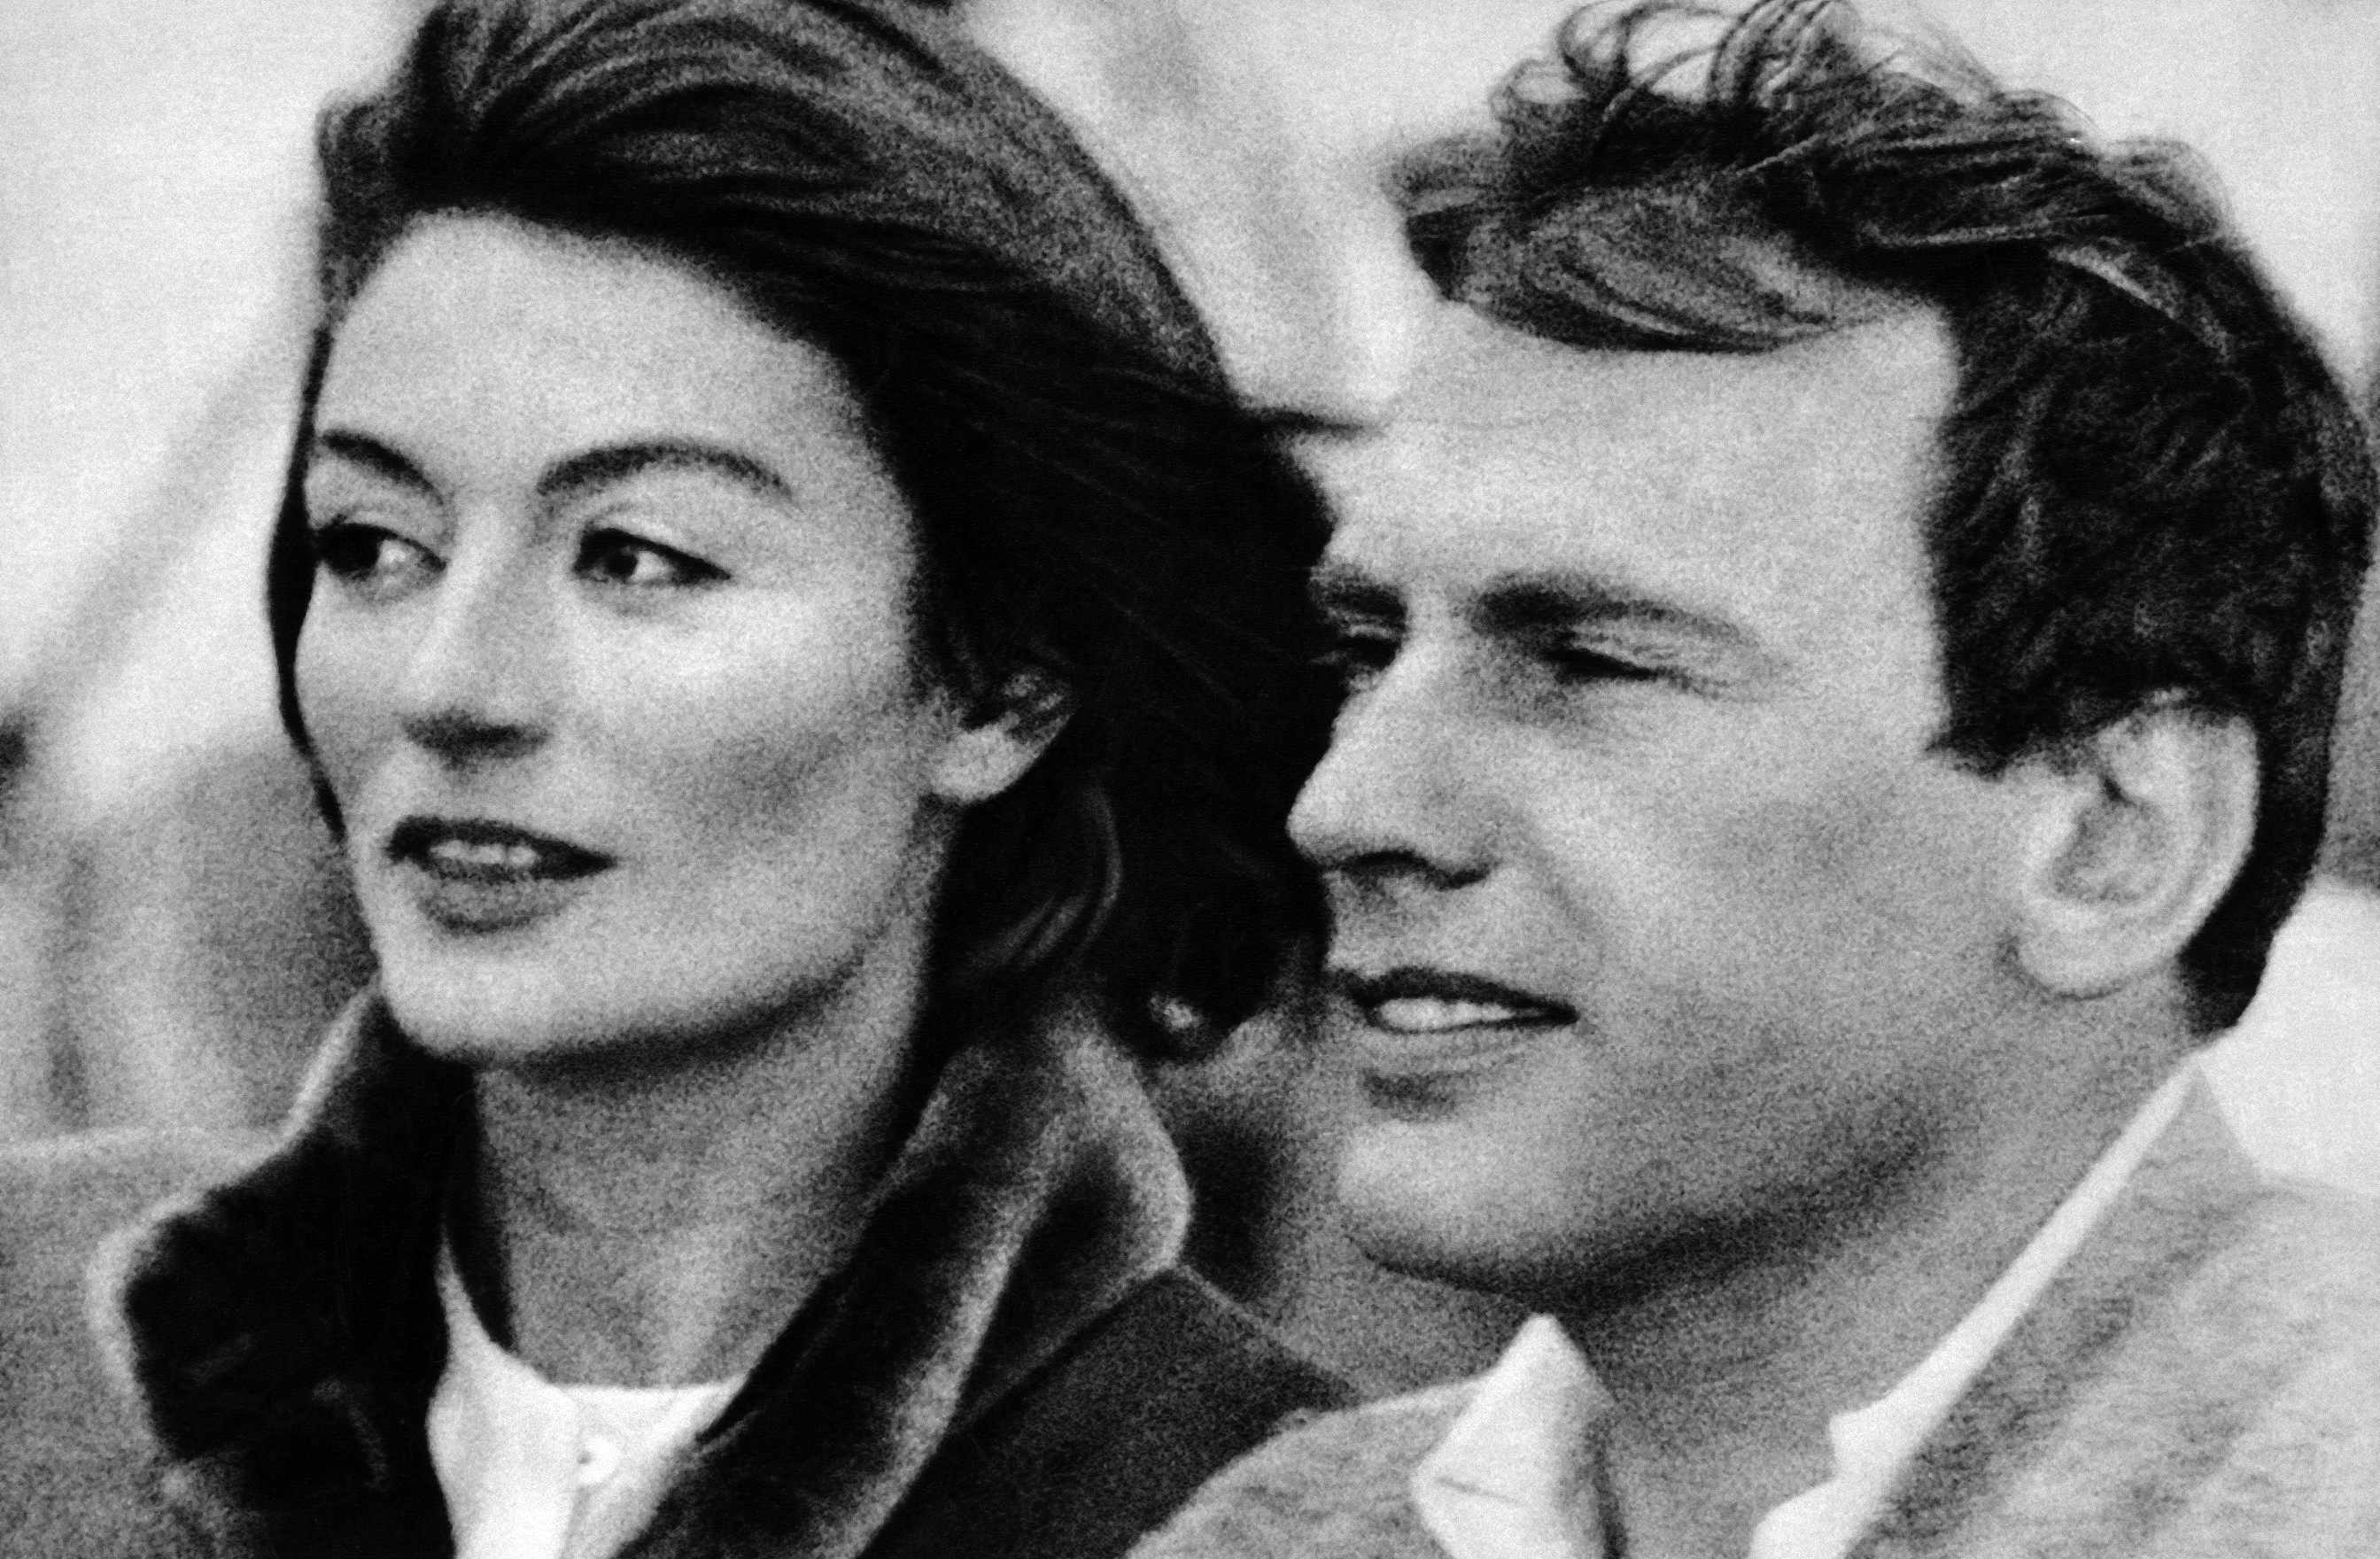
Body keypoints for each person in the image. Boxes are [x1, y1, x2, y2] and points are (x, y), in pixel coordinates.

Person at [0, 0, 1355, 1552]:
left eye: (637, 557)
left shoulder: (1271, 1515)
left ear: (1003, 686)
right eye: (374, 545)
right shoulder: (30, 1349)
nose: (449, 685)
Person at [1132, 3, 2380, 1557]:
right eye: (1365, 651)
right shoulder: (1281, 1532)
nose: (1345, 808)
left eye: (1590, 662)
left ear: (2113, 841)